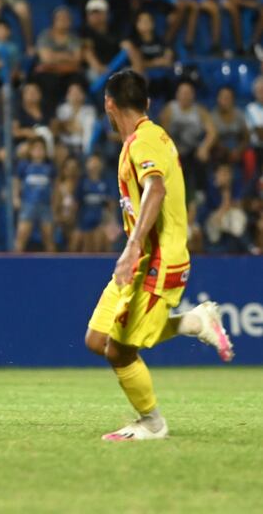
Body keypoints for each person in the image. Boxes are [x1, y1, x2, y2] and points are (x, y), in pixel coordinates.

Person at [85, 70, 234, 442]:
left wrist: (133, 245)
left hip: (158, 258)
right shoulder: (148, 136)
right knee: (96, 338)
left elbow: (156, 189)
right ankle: (194, 322)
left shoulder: (142, 143)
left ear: (109, 104)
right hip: (142, 257)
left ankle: (152, 423)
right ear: (147, 103)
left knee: (118, 350)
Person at [13, 137, 56, 252]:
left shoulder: (50, 167)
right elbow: (16, 181)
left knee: (49, 239)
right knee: (21, 236)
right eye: (35, 148)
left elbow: (54, 187)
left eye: (41, 148)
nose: (38, 151)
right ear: (30, 151)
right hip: (28, 204)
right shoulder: (24, 165)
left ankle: (52, 265)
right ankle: (15, 264)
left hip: (45, 206)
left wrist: (54, 204)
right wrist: (16, 197)